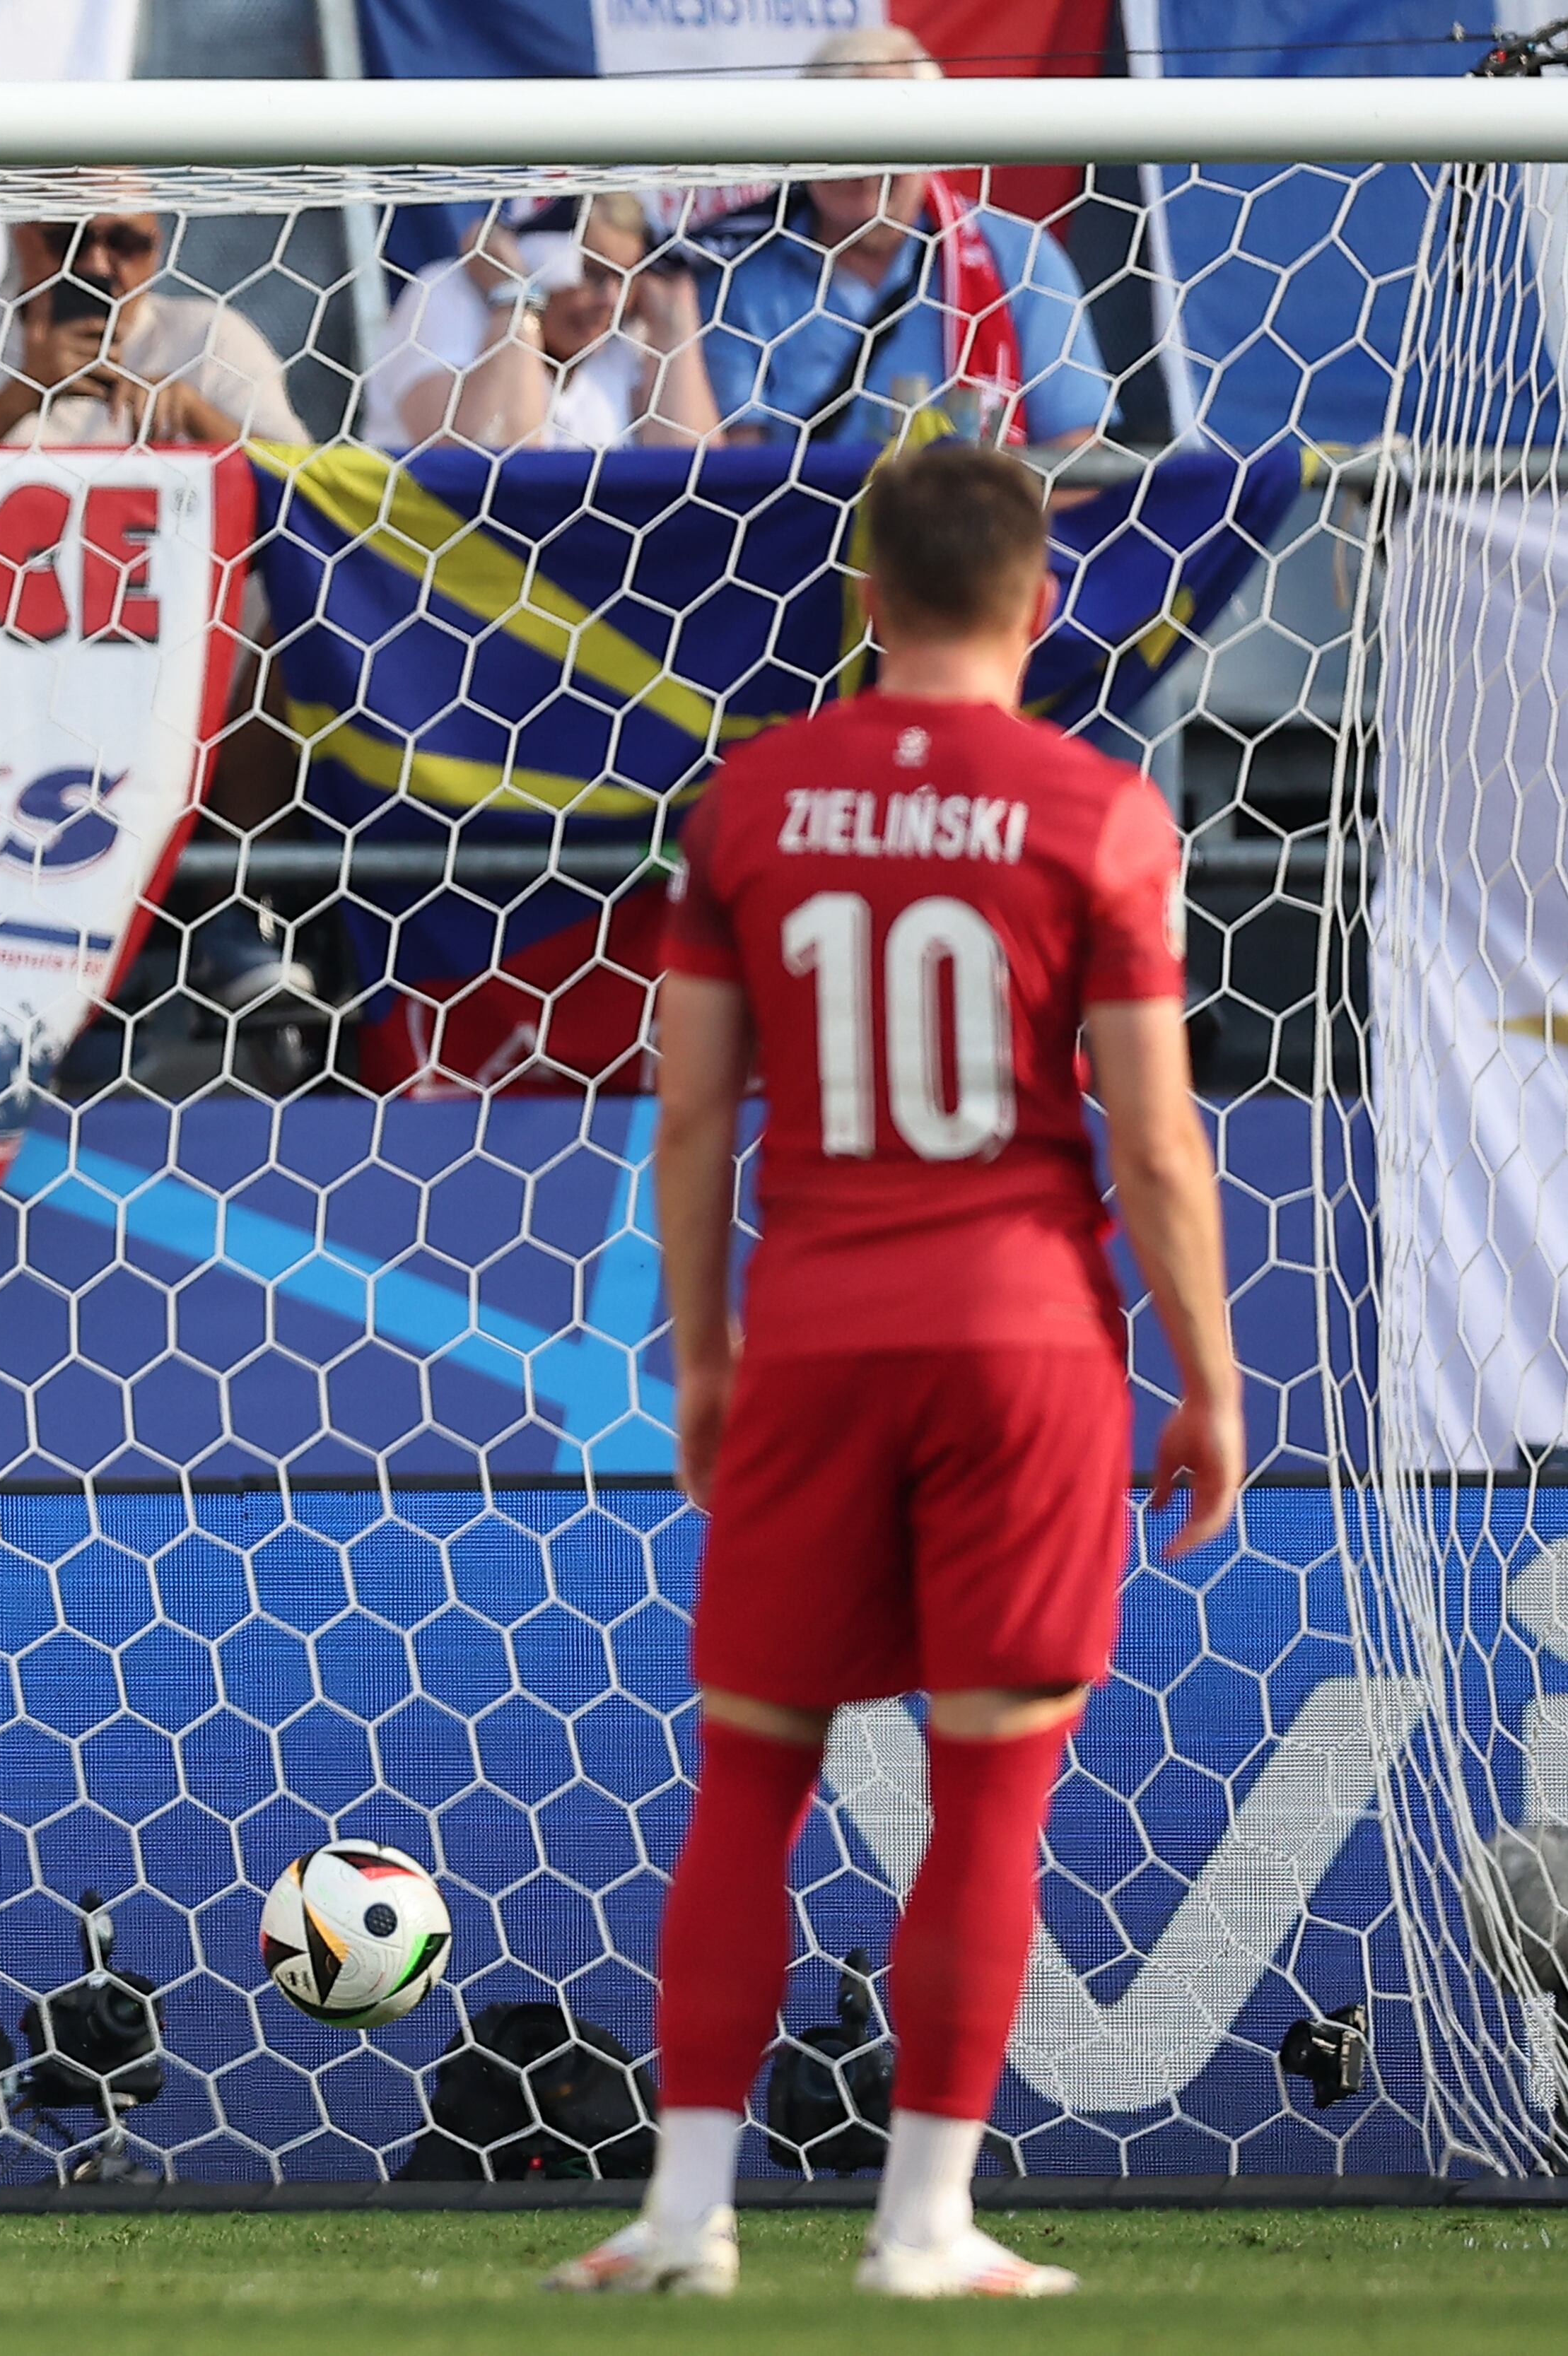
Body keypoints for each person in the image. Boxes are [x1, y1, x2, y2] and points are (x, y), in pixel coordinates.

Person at [544, 443, 1239, 2299]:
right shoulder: (1100, 812)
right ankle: (922, 2224)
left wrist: (701, 1357)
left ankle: (687, 2216)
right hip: (1025, 1340)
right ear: (1037, 603)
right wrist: (1213, 1378)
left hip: (822, 1330)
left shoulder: (754, 801)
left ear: (863, 601)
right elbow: (1158, 1144)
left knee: (749, 1781)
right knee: (994, 1790)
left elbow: (692, 1116)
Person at [701, 30, 1112, 450]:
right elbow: (742, 475)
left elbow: (1075, 453)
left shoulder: (1021, 258)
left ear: (933, 145)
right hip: (804, 515)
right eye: (836, 139)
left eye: (887, 138)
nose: (862, 167)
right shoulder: (737, 277)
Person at [0, 205, 302, 448]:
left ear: (156, 248)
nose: (96, 265)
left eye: (124, 243)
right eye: (69, 239)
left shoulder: (212, 337)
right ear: (22, 239)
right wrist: (23, 395)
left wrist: (198, 417)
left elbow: (308, 493)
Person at [362, 194, 720, 452]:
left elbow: (695, 483)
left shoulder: (621, 344)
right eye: (592, 274)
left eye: (627, 281)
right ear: (534, 258)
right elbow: (489, 463)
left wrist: (676, 328)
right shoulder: (445, 295)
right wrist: (514, 300)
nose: (610, 301)